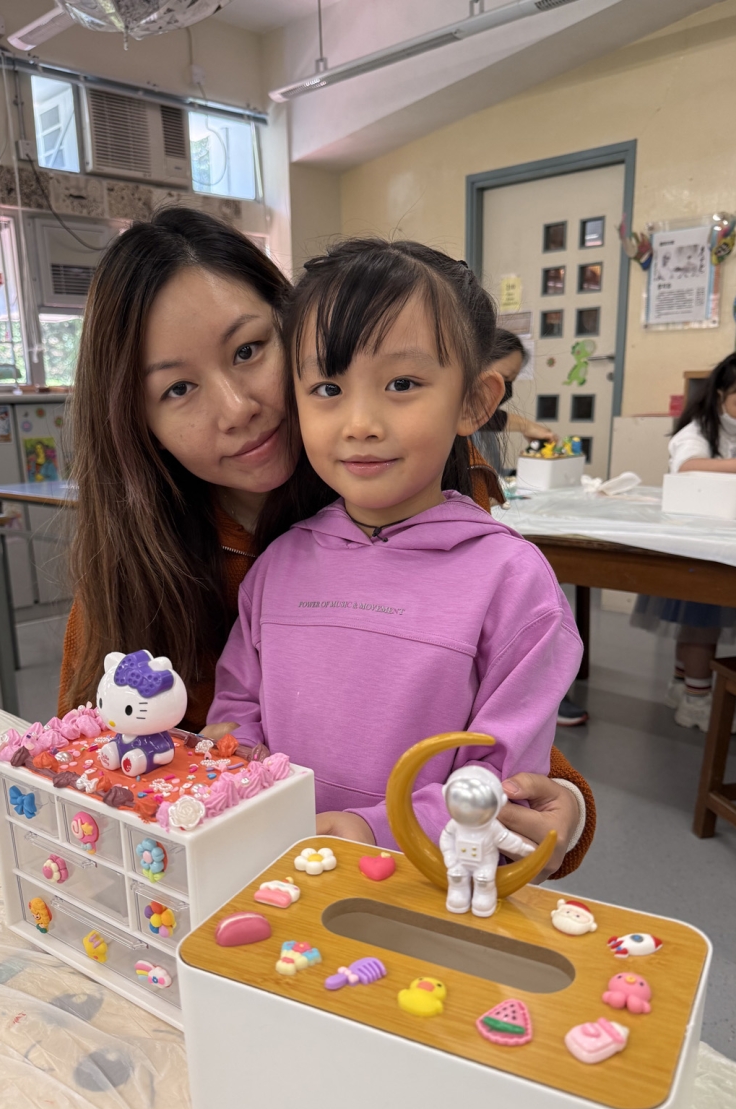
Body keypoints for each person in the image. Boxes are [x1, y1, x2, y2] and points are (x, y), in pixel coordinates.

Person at [58, 208, 594, 871]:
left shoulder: (477, 544)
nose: (237, 408)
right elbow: (147, 752)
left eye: (248, 350)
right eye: (178, 388)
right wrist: (240, 771)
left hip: (424, 881)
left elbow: (509, 757)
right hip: (257, 875)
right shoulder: (166, 572)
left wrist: (563, 810)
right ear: (135, 420)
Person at [208, 238, 583, 878]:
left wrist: (372, 832)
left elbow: (505, 782)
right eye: (327, 387)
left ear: (475, 402)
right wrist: (249, 787)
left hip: (429, 887)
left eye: (402, 384)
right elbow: (236, 710)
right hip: (278, 873)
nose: (360, 422)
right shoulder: (279, 564)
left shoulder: (511, 581)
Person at [631, 350, 736, 732]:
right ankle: (697, 701)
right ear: (720, 395)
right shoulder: (696, 431)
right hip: (696, 546)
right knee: (702, 627)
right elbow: (687, 466)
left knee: (697, 625)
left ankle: (682, 686)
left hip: (722, 541)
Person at [479, 328, 588, 729]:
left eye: (508, 384)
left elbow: (492, 417)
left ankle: (542, 689)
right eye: (500, 380)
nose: (501, 393)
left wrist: (528, 426)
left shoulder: (478, 414)